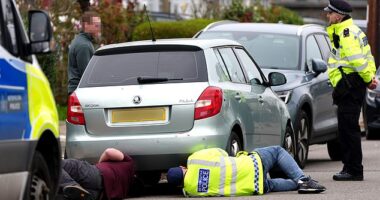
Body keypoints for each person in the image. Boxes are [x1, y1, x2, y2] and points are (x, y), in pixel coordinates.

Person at [324, 0, 378, 181]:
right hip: (351, 86)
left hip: (349, 87)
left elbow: (357, 60)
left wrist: (368, 79)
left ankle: (353, 170)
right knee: (348, 128)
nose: (328, 16)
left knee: (349, 130)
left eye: (330, 13)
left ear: (338, 16)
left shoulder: (346, 34)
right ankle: (350, 167)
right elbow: (368, 56)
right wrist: (369, 77)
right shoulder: (352, 31)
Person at [166, 146, 326, 197]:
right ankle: (303, 179)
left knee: (275, 184)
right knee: (277, 151)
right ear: (182, 168)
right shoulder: (194, 159)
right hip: (252, 165)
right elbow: (220, 152)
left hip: (253, 187)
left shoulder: (192, 192)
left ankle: (298, 184)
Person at [60, 148, 135, 200]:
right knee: (62, 193)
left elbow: (109, 152)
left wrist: (99, 163)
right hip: (98, 195)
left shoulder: (129, 163)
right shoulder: (124, 191)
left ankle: (71, 184)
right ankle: (72, 189)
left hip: (96, 174)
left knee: (54, 164)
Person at [67, 11, 101, 95]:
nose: (99, 28)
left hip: (78, 91)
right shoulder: (84, 46)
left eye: (99, 25)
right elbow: (87, 75)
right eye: (96, 25)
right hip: (80, 93)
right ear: (86, 25)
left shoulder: (81, 41)